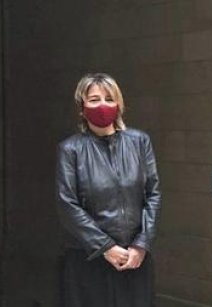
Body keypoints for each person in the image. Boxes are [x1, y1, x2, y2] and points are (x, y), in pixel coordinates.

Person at [56, 73, 161, 307]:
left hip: (134, 257)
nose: (102, 105)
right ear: (82, 108)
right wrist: (106, 247)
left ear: (119, 105)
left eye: (109, 98)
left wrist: (141, 244)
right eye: (94, 100)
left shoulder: (139, 142)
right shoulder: (71, 149)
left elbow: (152, 194)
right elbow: (68, 204)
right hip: (89, 258)